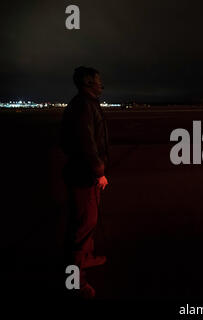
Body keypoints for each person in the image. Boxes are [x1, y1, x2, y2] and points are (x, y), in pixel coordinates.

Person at [61, 66, 110, 298]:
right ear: (88, 82)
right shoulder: (84, 106)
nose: (102, 84)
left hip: (82, 172)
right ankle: (76, 282)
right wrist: (99, 171)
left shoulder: (82, 103)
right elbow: (88, 144)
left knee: (87, 222)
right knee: (82, 227)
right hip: (84, 176)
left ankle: (87, 259)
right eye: (98, 81)